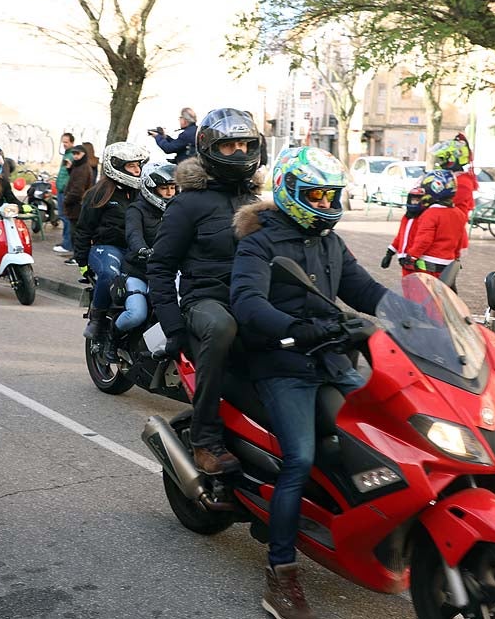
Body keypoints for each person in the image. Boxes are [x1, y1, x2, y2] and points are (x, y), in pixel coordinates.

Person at [230, 146, 387, 619]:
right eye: (315, 194)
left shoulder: (329, 242)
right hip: (284, 366)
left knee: (385, 437)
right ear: (290, 191)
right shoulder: (259, 243)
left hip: (332, 361)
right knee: (300, 458)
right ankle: (281, 574)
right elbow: (247, 302)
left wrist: (419, 316)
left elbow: (365, 290)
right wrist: (294, 329)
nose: (324, 203)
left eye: (330, 195)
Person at [147, 107, 262, 475]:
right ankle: (205, 438)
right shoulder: (188, 203)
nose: (240, 152)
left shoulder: (258, 203)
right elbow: (161, 267)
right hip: (205, 301)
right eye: (230, 146)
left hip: (252, 300)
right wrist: (174, 327)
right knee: (221, 326)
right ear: (210, 148)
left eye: (245, 144)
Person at [74, 142, 149, 338]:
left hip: (136, 249)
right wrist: (82, 262)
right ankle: (97, 318)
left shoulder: (143, 193)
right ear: (117, 166)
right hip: (107, 248)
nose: (137, 170)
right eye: (132, 166)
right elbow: (83, 229)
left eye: (138, 165)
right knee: (109, 274)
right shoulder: (98, 194)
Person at [115, 161, 176, 345]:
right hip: (139, 270)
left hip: (167, 273)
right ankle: (111, 339)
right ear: (150, 187)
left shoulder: (178, 209)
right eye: (164, 188)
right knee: (136, 314)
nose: (170, 193)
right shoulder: (136, 209)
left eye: (173, 187)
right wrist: (142, 249)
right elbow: (133, 234)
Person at [396, 170, 467, 279]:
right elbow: (460, 239)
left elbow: (424, 240)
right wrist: (456, 256)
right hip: (448, 265)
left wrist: (412, 256)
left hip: (428, 266)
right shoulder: (459, 214)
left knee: (424, 294)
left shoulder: (430, 214)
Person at [380, 183, 427, 271]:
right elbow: (400, 236)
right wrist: (389, 253)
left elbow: (423, 241)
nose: (414, 203)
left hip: (416, 261)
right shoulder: (406, 218)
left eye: (417, 200)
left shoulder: (423, 219)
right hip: (404, 261)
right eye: (413, 200)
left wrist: (412, 257)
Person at [430, 135, 477, 216]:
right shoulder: (451, 178)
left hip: (452, 220)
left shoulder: (463, 182)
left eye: (442, 159)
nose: (440, 163)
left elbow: (448, 202)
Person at [54, 132, 75, 254]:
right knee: (63, 217)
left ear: (72, 142)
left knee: (66, 217)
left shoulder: (71, 155)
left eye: (66, 142)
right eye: (63, 142)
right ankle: (65, 242)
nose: (64, 144)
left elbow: (71, 173)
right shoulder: (67, 154)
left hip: (65, 191)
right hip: (61, 190)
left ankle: (67, 245)